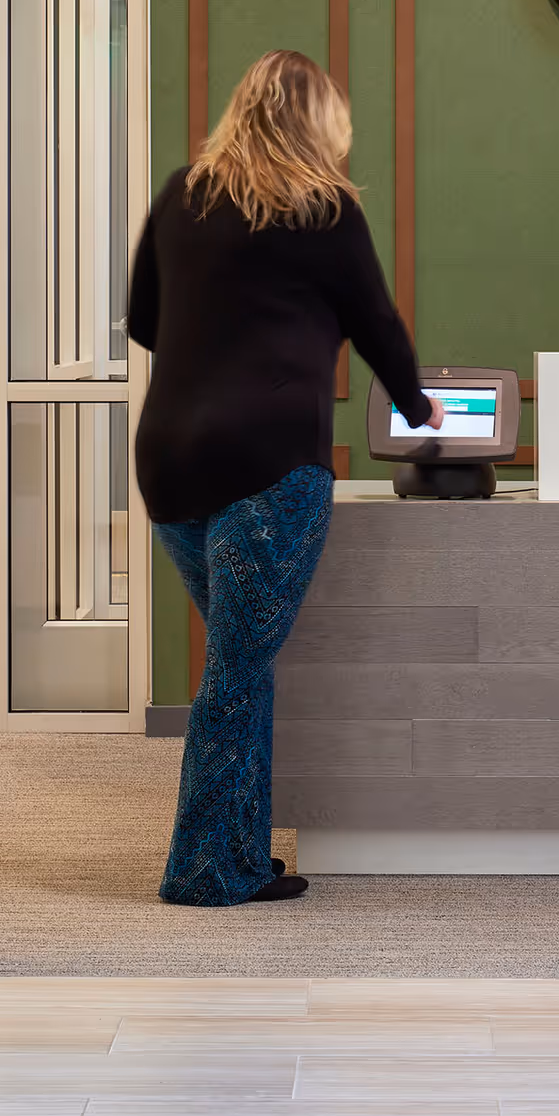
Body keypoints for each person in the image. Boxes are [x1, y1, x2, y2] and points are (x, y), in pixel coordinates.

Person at [127, 50, 440, 906]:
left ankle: (240, 853)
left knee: (244, 661)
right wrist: (418, 408)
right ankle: (202, 872)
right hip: (268, 462)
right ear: (319, 122)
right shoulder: (324, 207)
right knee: (236, 671)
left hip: (170, 460)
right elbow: (376, 322)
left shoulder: (182, 194)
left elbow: (145, 320)